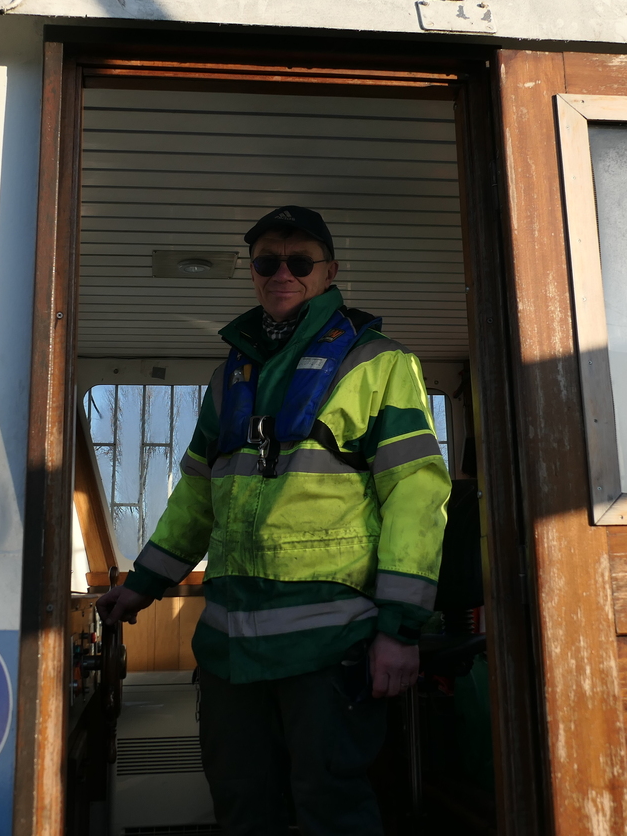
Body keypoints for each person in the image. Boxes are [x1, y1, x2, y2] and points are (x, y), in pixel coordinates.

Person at [96, 206, 452, 836]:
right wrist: (142, 585)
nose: (281, 272)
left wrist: (399, 630)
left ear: (329, 271)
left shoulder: (381, 364)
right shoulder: (228, 376)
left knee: (331, 806)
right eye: (267, 261)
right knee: (240, 804)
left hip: (330, 644)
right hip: (231, 648)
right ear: (253, 273)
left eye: (299, 261)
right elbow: (197, 497)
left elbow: (415, 497)